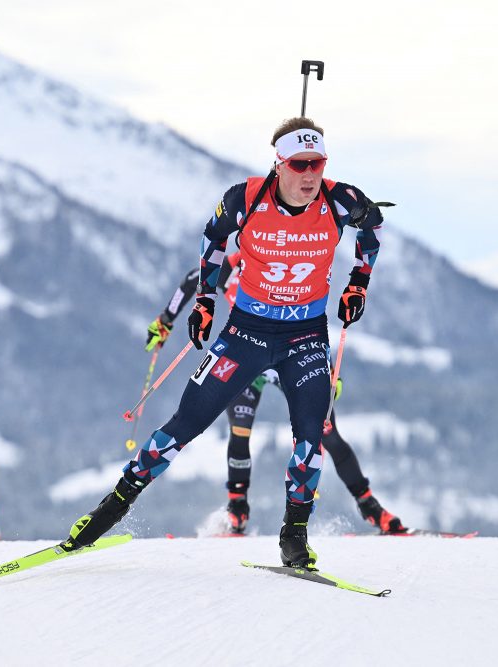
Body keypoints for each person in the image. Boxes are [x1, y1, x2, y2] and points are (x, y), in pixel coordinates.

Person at [63, 117, 385, 568]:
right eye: (300, 164)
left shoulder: (340, 198)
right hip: (245, 334)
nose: (310, 175)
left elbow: (373, 226)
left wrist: (358, 284)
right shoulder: (246, 199)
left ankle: (294, 535)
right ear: (279, 164)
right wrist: (205, 303)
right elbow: (212, 241)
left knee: (312, 436)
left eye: (318, 163)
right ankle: (110, 509)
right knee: (184, 425)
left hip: (306, 337)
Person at [146, 255, 406, 535]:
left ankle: (370, 507)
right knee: (240, 432)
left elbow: (313, 320)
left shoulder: (293, 265)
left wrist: (330, 371)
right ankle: (237, 511)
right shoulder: (233, 266)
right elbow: (192, 279)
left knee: (325, 434)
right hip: (248, 359)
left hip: (291, 357)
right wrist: (166, 320)